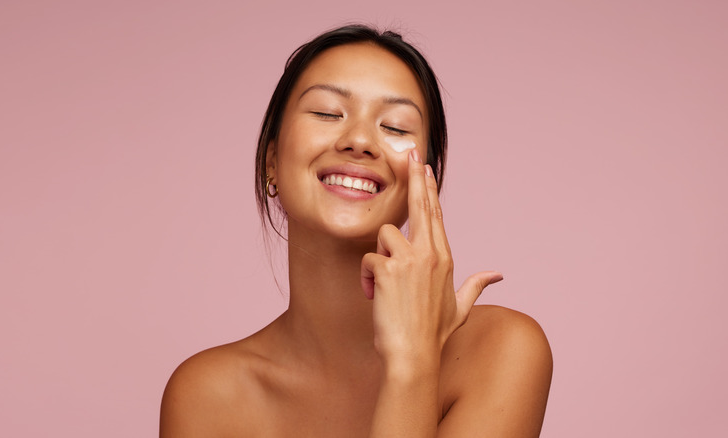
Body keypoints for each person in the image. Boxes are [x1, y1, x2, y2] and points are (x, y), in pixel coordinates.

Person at [160, 24, 552, 437]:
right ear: (270, 160)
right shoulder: (206, 395)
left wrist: (412, 361)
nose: (360, 140)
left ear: (425, 177)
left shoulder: (501, 350)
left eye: (396, 127)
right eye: (327, 113)